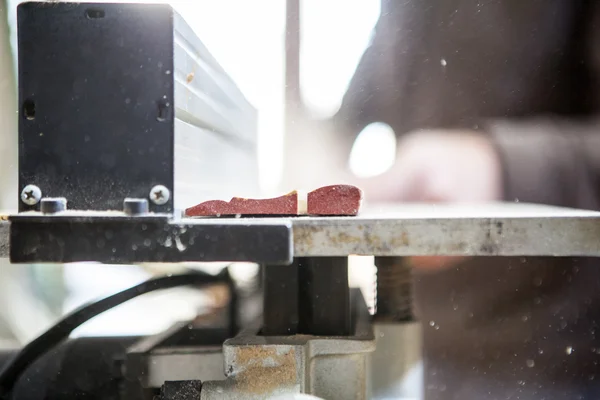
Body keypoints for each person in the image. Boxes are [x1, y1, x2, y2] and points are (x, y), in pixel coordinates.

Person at [330, 1, 600, 399]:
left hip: (556, 358)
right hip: (428, 341)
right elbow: (360, 101)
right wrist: (321, 170)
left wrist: (494, 165)